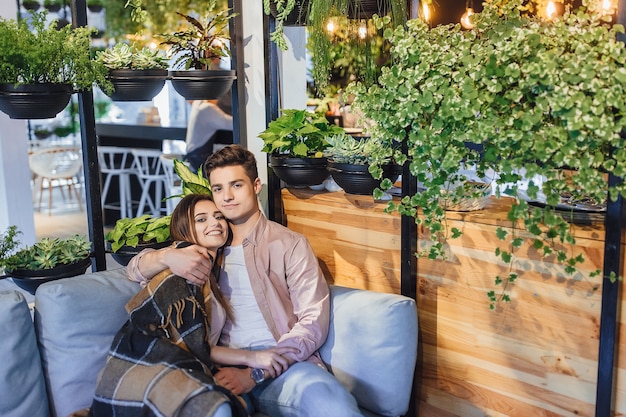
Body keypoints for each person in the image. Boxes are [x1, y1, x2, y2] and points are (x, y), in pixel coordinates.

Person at [126, 145, 364, 416]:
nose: (226, 197)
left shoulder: (289, 244)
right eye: (218, 189)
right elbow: (134, 270)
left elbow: (312, 321)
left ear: (256, 185)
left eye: (236, 185)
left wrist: (256, 372)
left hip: (284, 364)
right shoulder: (205, 246)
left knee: (334, 405)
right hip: (220, 367)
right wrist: (168, 256)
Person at [185, 99, 233, 171]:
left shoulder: (198, 104)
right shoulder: (207, 108)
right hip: (200, 158)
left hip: (193, 156)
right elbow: (231, 124)